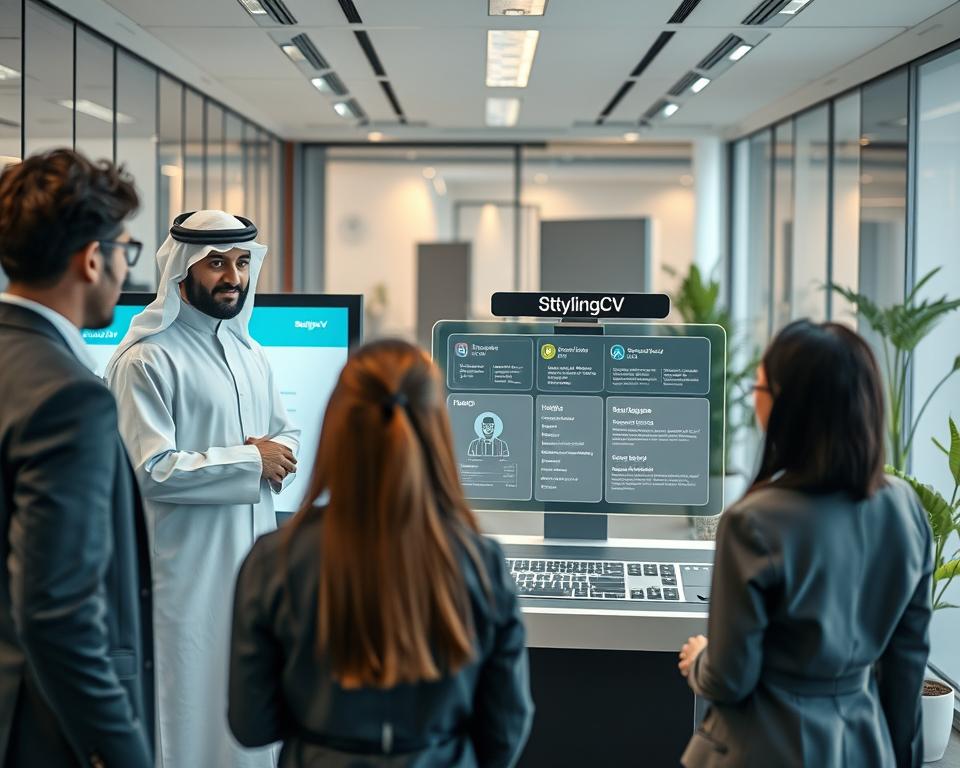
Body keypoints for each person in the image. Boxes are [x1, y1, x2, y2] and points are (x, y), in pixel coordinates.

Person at [228, 340, 534, 767]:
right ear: (437, 432)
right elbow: (503, 734)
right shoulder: (481, 564)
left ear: (335, 429)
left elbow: (251, 725)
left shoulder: (273, 562)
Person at [677, 320, 933, 768]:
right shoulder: (905, 508)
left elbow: (730, 678)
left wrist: (699, 660)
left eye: (760, 386)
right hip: (861, 743)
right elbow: (906, 665)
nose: (754, 396)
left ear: (789, 408)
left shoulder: (752, 522)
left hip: (762, 747)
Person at [106, 210, 300, 768]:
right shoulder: (147, 359)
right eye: (216, 263)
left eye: (241, 262)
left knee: (247, 721)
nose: (232, 276)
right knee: (188, 717)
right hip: (183, 580)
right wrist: (251, 460)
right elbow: (150, 468)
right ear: (182, 270)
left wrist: (278, 454)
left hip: (251, 571)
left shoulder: (250, 353)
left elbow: (284, 433)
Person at [0, 149, 153, 767]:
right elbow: (58, 613)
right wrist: (120, 753)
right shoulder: (68, 397)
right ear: (93, 259)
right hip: (37, 729)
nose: (124, 267)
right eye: (124, 249)